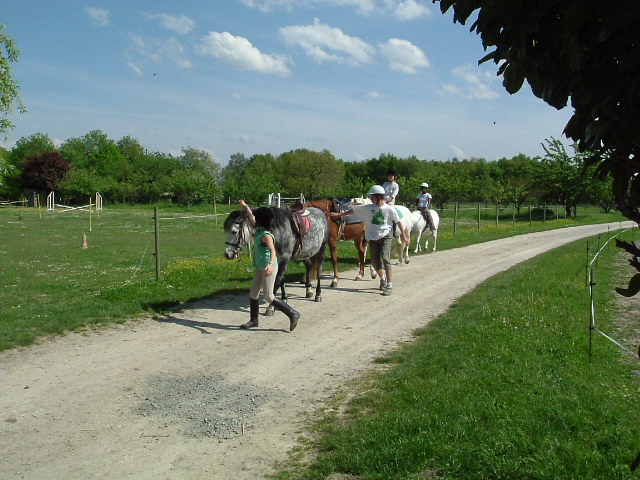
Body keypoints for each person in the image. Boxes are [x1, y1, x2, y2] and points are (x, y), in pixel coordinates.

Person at [330, 185, 409, 296]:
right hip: (372, 236)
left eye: (372, 196)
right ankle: (382, 279)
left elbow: (399, 221)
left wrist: (404, 236)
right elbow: (353, 210)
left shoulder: (389, 209)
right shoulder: (368, 207)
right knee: (375, 261)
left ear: (379, 197)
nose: (371, 199)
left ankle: (389, 285)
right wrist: (339, 214)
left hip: (386, 235)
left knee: (386, 258)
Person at [238, 199, 300, 331]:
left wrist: (271, 264)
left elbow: (273, 251)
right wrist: (245, 206)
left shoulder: (266, 235)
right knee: (253, 294)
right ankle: (254, 321)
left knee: (269, 296)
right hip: (260, 268)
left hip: (268, 268)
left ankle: (293, 313)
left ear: (262, 221)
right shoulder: (259, 228)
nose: (255, 219)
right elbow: (252, 216)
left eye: (258, 217)